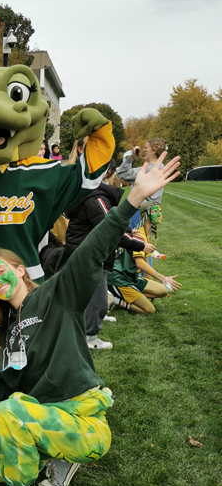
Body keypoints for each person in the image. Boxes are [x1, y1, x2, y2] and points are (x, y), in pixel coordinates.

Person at [0, 152, 181, 486]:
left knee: (11, 414)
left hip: (81, 419)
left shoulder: (56, 296)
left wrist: (132, 201)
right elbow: (5, 387)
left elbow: (90, 251)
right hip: (42, 419)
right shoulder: (8, 330)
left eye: (0, 270)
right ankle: (53, 456)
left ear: (20, 268)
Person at [63, 160, 155, 349]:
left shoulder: (93, 196)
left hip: (84, 252)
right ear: (106, 174)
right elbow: (110, 229)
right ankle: (90, 338)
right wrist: (139, 244)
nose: (115, 178)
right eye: (113, 173)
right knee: (98, 300)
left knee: (91, 296)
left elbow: (114, 221)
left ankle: (91, 322)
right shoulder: (95, 199)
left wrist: (129, 232)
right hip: (90, 255)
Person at [107, 202, 180, 314]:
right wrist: (163, 278)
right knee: (149, 310)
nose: (159, 214)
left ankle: (130, 295)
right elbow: (139, 263)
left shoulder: (147, 232)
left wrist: (149, 283)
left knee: (162, 291)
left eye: (160, 211)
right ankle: (117, 300)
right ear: (146, 215)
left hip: (132, 277)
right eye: (155, 212)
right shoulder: (140, 234)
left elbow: (146, 259)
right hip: (119, 278)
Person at [117, 138, 166, 229]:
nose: (143, 150)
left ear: (154, 151)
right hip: (152, 212)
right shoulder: (161, 167)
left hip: (139, 212)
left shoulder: (146, 170)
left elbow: (121, 173)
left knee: (136, 240)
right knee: (145, 240)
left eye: (146, 147)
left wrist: (131, 157)